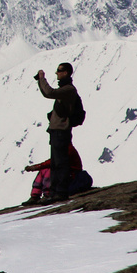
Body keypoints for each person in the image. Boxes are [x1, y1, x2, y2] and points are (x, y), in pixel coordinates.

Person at [34, 62, 81, 202]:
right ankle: (54, 192)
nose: (57, 73)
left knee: (60, 162)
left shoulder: (68, 90)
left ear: (66, 73)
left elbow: (49, 93)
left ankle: (60, 192)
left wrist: (42, 79)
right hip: (56, 131)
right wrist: (40, 81)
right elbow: (48, 93)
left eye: (59, 71)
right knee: (55, 162)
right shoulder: (66, 89)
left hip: (61, 131)